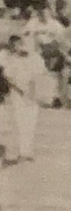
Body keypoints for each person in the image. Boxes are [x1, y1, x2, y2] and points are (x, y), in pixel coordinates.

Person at [1, 35, 40, 163]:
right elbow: (9, 79)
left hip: (29, 93)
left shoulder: (30, 59)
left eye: (19, 45)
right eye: (14, 45)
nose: (17, 48)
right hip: (16, 94)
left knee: (29, 122)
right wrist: (20, 91)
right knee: (17, 122)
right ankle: (12, 154)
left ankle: (26, 151)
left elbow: (34, 78)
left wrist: (32, 93)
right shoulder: (9, 59)